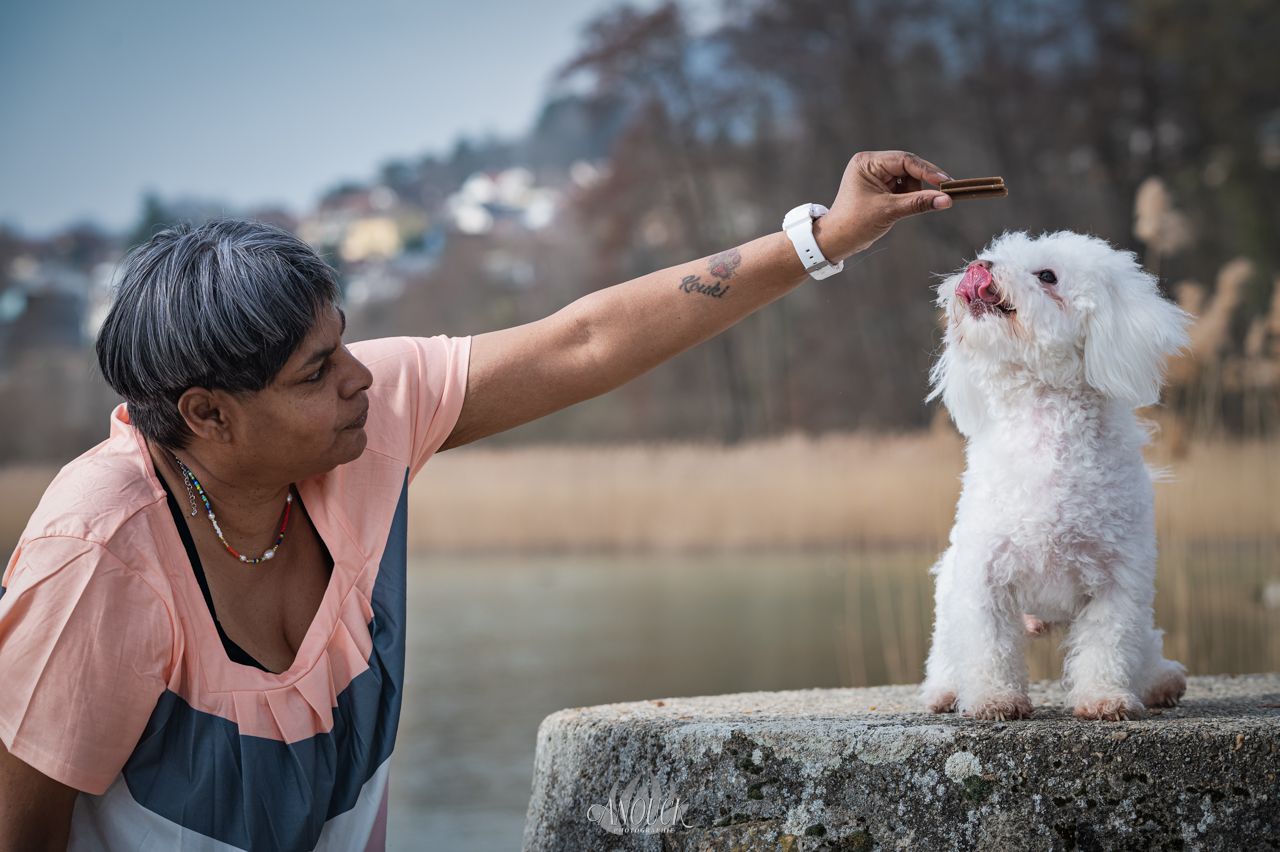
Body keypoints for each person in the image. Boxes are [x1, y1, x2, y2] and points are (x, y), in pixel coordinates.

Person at [0, 150, 952, 851]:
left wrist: (825, 236)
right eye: (316, 371)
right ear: (207, 414)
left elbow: (584, 342)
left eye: (348, 346)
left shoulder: (360, 427)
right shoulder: (99, 552)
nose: (362, 382)